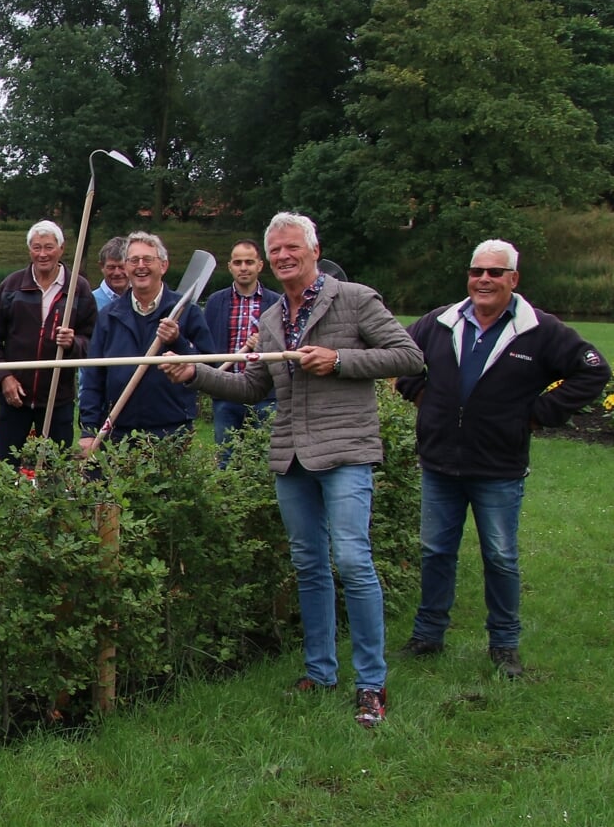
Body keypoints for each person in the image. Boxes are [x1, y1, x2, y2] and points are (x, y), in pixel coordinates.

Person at [164, 212, 422, 727]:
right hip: (290, 456)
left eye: (290, 248)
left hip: (345, 451)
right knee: (308, 565)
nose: (282, 257)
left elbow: (410, 356)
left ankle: (371, 682)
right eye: (274, 250)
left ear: (313, 249)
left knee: (351, 560)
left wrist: (341, 360)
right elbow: (254, 388)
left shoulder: (354, 299)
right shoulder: (273, 317)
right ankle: (320, 672)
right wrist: (197, 374)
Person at [393, 241, 608, 678]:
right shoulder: (439, 322)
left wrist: (537, 415)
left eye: (495, 272)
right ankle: (428, 636)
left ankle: (504, 645)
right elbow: (397, 350)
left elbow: (593, 370)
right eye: (476, 271)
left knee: (500, 556)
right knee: (435, 552)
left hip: (498, 467)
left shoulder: (540, 330)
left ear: (514, 279)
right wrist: (416, 391)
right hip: (440, 462)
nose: (484, 280)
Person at [78, 231, 213, 450]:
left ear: (163, 266)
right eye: (133, 260)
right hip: (117, 430)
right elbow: (93, 377)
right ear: (127, 268)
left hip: (171, 430)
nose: (140, 265)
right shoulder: (109, 316)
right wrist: (88, 429)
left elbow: (209, 365)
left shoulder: (186, 312)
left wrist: (177, 341)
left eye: (148, 259)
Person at [0, 221, 95, 461]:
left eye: (48, 247)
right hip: (14, 399)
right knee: (7, 468)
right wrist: (3, 377)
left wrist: (73, 343)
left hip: (57, 400)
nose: (42, 254)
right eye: (36, 247)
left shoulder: (78, 288)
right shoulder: (11, 287)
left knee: (54, 470)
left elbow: (93, 342)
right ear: (29, 250)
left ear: (61, 248)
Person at [203, 239, 283, 460]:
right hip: (226, 391)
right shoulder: (215, 302)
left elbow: (287, 344)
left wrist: (266, 344)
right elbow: (206, 345)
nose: (243, 267)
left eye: (249, 262)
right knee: (225, 458)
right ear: (230, 267)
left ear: (260, 265)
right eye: (238, 262)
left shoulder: (277, 303)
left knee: (264, 458)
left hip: (265, 394)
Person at [93, 236, 129, 312]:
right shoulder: (90, 302)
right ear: (102, 266)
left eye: (122, 267)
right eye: (111, 267)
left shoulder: (141, 300)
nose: (117, 273)